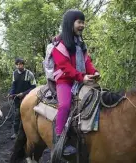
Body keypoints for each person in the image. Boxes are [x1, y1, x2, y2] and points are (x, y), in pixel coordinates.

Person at [52, 9, 100, 155]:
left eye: (83, 22)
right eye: (79, 22)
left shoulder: (81, 44)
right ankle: (60, 138)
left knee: (99, 95)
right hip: (65, 81)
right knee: (65, 105)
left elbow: (87, 62)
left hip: (81, 79)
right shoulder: (59, 45)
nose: (82, 25)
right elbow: (64, 66)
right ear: (69, 24)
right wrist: (81, 77)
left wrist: (94, 72)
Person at [8, 58, 37, 139]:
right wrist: (11, 94)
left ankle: (31, 132)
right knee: (17, 115)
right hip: (17, 98)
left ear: (23, 65)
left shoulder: (29, 73)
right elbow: (13, 85)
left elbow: (34, 87)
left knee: (29, 115)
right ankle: (16, 132)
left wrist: (24, 93)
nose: (19, 66)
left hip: (28, 98)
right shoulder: (14, 74)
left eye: (20, 64)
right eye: (17, 64)